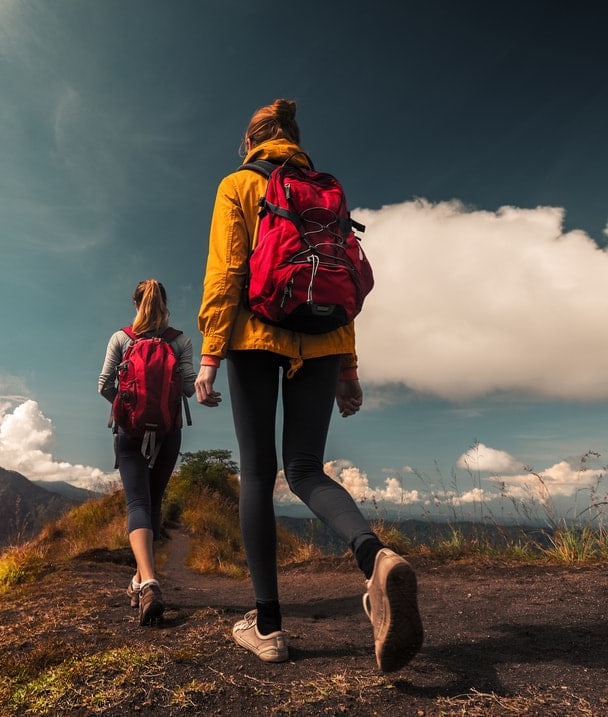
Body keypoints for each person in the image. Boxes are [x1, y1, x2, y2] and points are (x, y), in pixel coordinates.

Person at [194, 99, 423, 671]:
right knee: (304, 468)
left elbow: (226, 271)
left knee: (255, 472)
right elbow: (339, 276)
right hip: (322, 336)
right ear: (294, 140)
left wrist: (209, 354)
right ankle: (374, 557)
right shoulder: (327, 191)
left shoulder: (239, 184)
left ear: (251, 142)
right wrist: (347, 368)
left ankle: (268, 627)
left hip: (253, 334)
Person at [98, 278, 196, 626]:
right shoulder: (180, 341)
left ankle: (146, 581)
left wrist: (127, 409)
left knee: (137, 504)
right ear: (165, 303)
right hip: (169, 433)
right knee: (154, 501)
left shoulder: (121, 338)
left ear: (135, 303)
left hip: (129, 432)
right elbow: (186, 386)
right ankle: (143, 580)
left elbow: (104, 385)